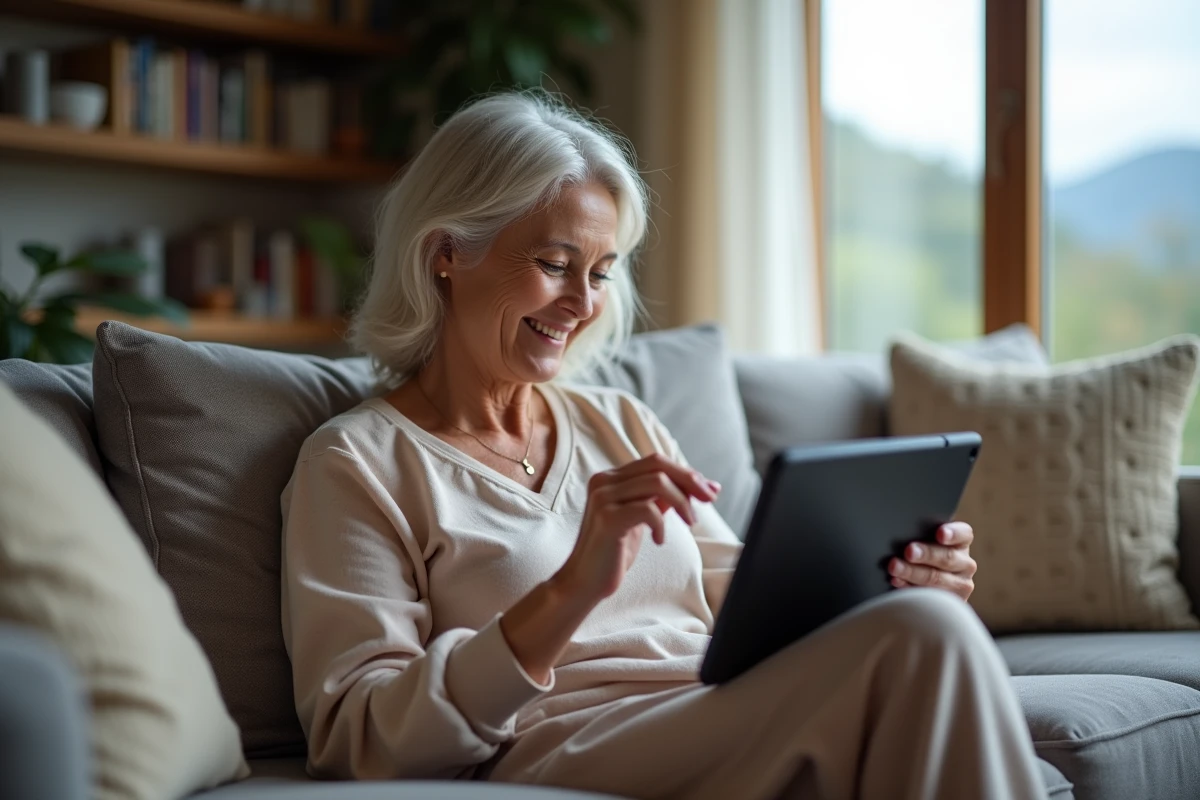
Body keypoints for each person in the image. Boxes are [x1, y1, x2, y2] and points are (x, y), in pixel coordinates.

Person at [280, 91, 1047, 800]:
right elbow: (359, 736)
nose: (583, 305)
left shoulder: (620, 423)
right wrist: (570, 588)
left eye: (601, 274)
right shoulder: (356, 462)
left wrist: (888, 584)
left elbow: (744, 597)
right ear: (448, 251)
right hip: (565, 740)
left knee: (926, 626)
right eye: (554, 266)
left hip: (709, 707)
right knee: (927, 645)